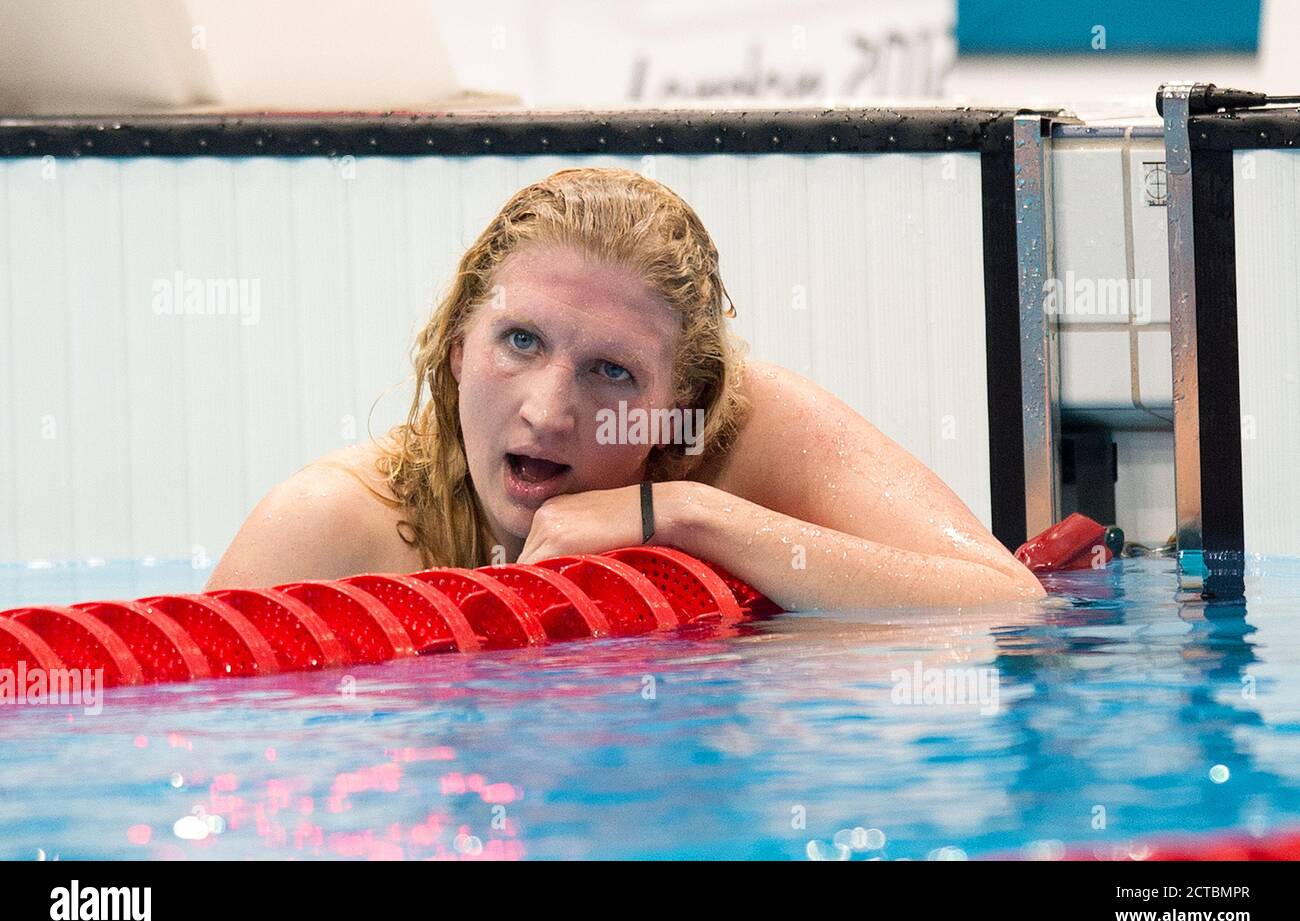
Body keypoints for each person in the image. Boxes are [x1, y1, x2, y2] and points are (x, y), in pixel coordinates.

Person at [205, 167, 1045, 609]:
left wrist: (686, 514)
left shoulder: (736, 445)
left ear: (686, 402)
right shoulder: (332, 528)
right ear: (458, 346)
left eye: (612, 372)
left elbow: (1003, 601)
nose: (547, 409)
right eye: (519, 341)